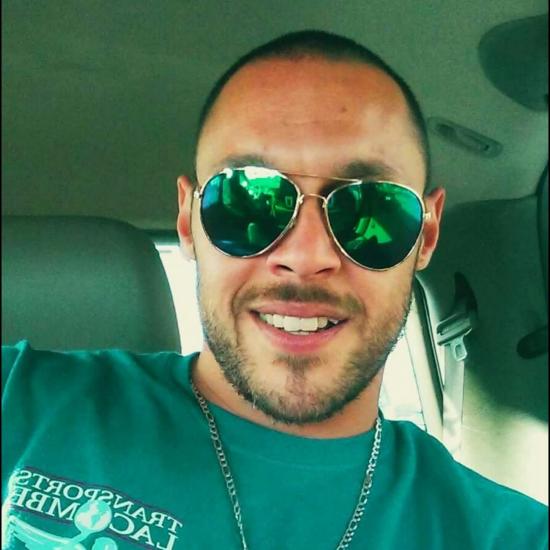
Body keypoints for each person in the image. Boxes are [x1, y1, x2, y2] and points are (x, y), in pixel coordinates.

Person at [2, 30, 547, 550]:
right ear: (189, 221)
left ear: (425, 235)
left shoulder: (511, 538)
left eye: (371, 208)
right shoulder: (21, 400)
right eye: (247, 201)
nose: (305, 257)